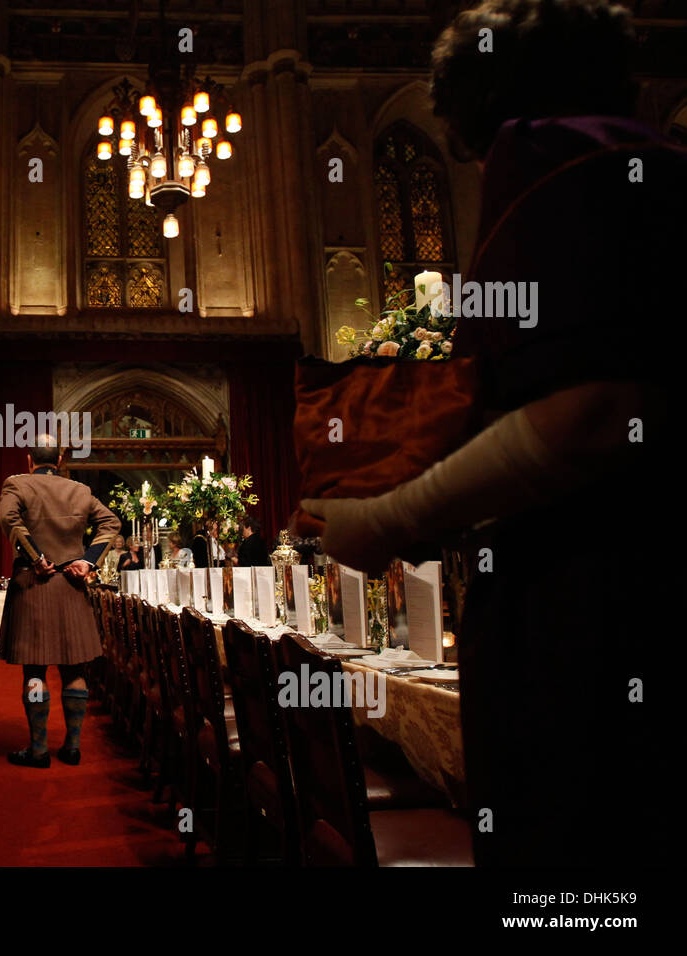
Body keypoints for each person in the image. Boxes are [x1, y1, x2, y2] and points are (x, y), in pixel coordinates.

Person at [301, 0, 675, 866]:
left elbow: (595, 414)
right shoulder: (641, 164)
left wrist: (389, 518)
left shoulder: (557, 161)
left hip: (593, 627)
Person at [0, 435, 120, 768]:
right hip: (71, 587)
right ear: (61, 460)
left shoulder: (17, 484)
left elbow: (8, 520)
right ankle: (73, 747)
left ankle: (38, 750)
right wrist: (88, 560)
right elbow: (111, 523)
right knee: (74, 669)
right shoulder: (80, 491)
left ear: (29, 460)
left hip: (34, 587)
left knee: (35, 671)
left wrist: (37, 557)